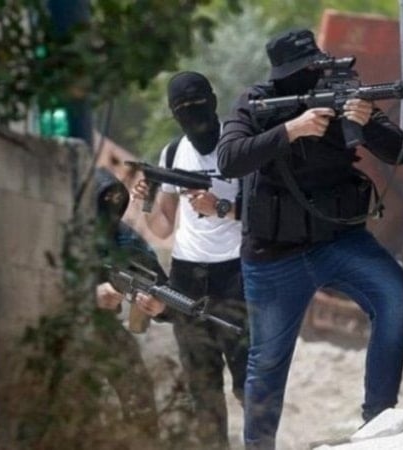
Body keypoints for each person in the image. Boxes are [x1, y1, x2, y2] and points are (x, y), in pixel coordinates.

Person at [216, 28, 403, 449]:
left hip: (338, 241)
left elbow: (400, 152)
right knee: (266, 363)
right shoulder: (256, 102)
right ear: (283, 73)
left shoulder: (344, 91)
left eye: (315, 66)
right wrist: (292, 130)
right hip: (273, 257)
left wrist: (366, 122)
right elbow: (229, 159)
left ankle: (376, 420)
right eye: (302, 70)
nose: (311, 74)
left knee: (396, 298)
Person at [132, 71, 249, 450]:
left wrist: (220, 207)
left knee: (250, 382)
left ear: (213, 100)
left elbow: (264, 212)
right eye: (181, 108)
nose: (191, 113)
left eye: (196, 103)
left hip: (237, 273)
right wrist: (146, 198)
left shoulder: (240, 146)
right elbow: (163, 227)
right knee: (202, 388)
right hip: (188, 276)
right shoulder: (171, 154)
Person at [93, 167, 161, 445]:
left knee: (137, 388)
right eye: (102, 202)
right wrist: (90, 294)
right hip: (65, 325)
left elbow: (160, 284)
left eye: (116, 202)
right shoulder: (63, 231)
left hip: (105, 328)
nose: (110, 210)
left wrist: (159, 306)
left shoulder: (124, 239)